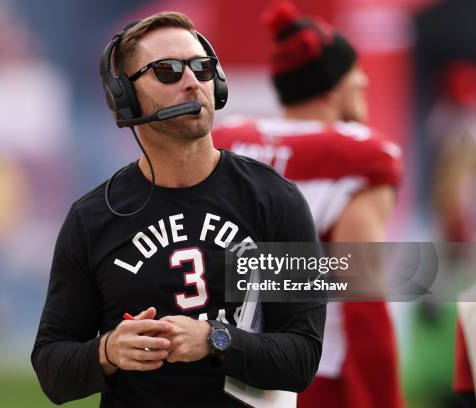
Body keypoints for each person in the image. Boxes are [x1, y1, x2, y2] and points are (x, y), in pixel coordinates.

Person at [31, 11, 325, 407]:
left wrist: (213, 340)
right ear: (126, 96)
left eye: (203, 68)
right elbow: (52, 370)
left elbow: (302, 359)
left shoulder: (275, 200)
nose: (192, 82)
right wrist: (107, 352)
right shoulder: (92, 218)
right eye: (167, 71)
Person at [213, 2, 403, 408]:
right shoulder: (361, 156)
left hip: (225, 362)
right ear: (336, 85)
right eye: (356, 71)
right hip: (315, 374)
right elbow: (363, 301)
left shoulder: (228, 144)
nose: (365, 79)